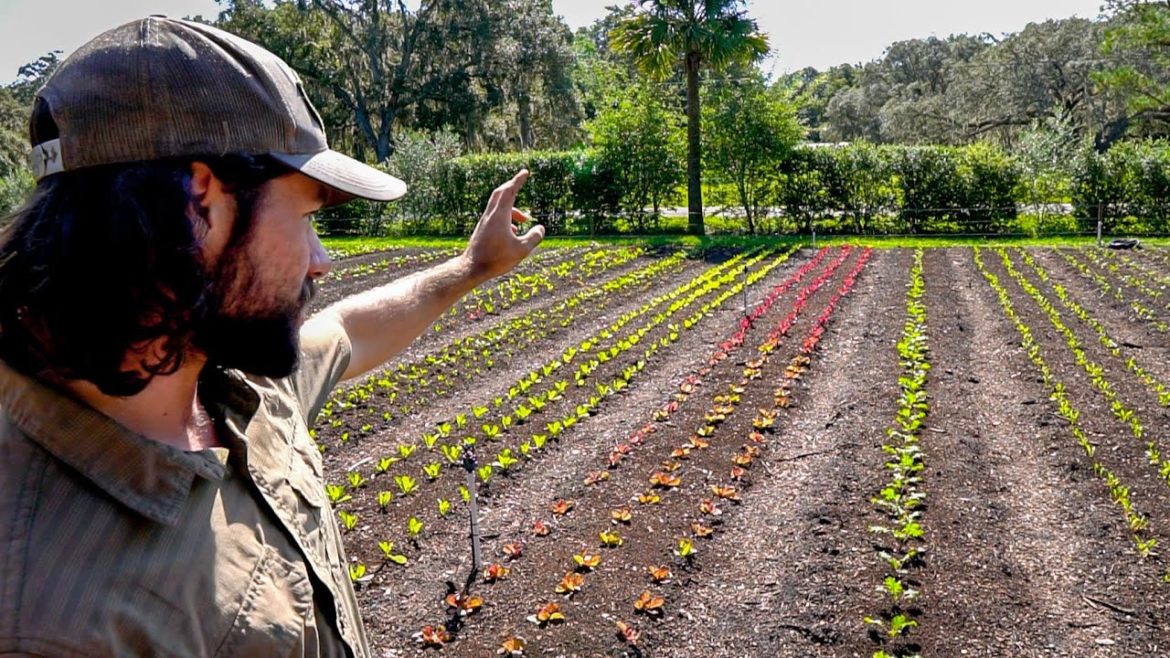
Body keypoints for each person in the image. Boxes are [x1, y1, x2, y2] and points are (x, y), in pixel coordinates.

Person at [0, 16, 543, 658]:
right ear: (198, 204)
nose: (322, 260)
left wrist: (472, 267)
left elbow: (345, 331)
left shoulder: (222, 382)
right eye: (308, 215)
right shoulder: (49, 621)